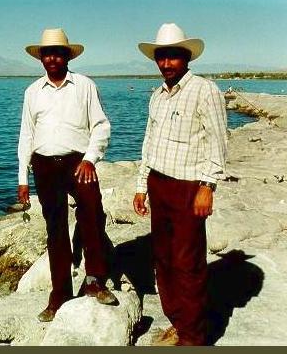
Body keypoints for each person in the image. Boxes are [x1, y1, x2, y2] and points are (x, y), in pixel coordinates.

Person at [133, 23, 228, 346]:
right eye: (161, 57)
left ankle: (194, 337)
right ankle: (179, 321)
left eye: (173, 57)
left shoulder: (205, 90)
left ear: (186, 57)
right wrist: (141, 185)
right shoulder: (157, 96)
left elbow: (218, 140)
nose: (166, 64)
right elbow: (149, 142)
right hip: (159, 184)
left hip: (188, 187)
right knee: (163, 257)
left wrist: (208, 184)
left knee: (189, 263)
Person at [18, 28, 118, 322]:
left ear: (65, 56)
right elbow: (27, 135)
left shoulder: (85, 86)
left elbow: (100, 126)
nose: (52, 58)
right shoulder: (32, 92)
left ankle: (95, 282)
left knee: (93, 212)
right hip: (44, 165)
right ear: (41, 58)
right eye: (46, 53)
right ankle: (59, 294)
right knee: (55, 228)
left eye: (57, 52)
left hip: (78, 162)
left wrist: (90, 159)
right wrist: (22, 178)